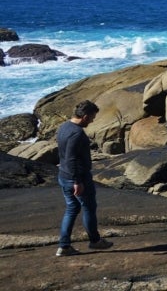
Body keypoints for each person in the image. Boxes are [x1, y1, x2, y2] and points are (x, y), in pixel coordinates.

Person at [55, 100, 113, 256]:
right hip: (77, 177)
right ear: (86, 116)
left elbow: (64, 155)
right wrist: (77, 181)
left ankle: (64, 246)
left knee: (72, 209)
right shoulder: (77, 133)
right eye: (93, 117)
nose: (93, 120)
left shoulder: (64, 127)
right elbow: (72, 158)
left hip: (63, 175)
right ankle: (95, 241)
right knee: (89, 208)